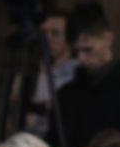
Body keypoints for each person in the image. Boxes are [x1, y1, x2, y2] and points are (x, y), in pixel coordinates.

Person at [47, 1, 120, 147]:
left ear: (107, 39)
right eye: (76, 52)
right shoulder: (66, 95)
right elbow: (54, 144)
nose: (81, 58)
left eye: (88, 50)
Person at [24, 8, 79, 139]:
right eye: (45, 33)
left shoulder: (78, 74)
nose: (48, 39)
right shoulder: (34, 71)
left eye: (55, 33)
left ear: (70, 38)